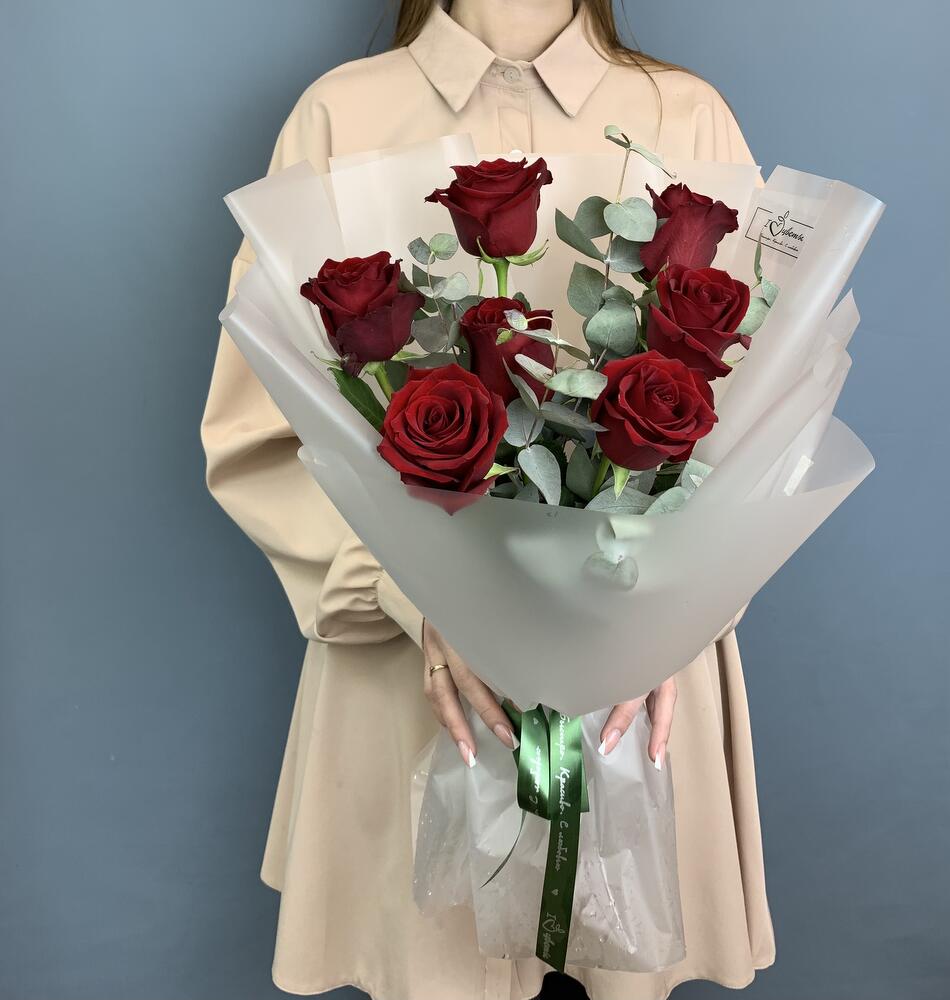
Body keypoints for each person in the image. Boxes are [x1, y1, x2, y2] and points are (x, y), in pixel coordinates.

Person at [201, 2, 775, 997]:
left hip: (639, 693)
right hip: (418, 690)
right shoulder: (339, 116)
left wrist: (664, 613)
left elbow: (760, 427)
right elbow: (258, 433)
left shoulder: (686, 117)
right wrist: (413, 595)